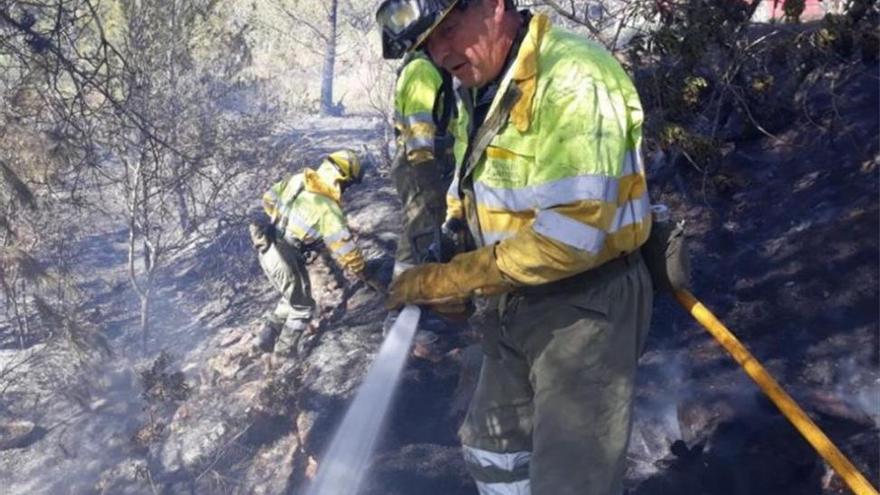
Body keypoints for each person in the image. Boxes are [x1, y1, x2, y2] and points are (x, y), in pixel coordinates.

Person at [385, 1, 654, 494]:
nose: (441, 53)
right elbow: (478, 184)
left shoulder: (572, 78)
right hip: (514, 297)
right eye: (428, 45)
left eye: (448, 29)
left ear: (495, 5)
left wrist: (458, 276)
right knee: (493, 449)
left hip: (584, 308)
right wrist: (453, 242)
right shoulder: (486, 85)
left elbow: (571, 238)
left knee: (573, 482)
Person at [249, 150, 370, 358]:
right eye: (347, 184)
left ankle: (265, 338)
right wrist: (363, 271)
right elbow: (345, 248)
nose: (346, 189)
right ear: (339, 177)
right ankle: (284, 354)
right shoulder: (328, 208)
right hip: (285, 256)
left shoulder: (297, 181)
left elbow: (268, 199)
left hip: (267, 247)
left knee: (292, 296)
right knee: (303, 307)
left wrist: (281, 220)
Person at [377, 0, 457, 276]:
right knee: (421, 228)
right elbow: (419, 128)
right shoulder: (422, 69)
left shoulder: (423, 66)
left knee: (423, 225)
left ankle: (416, 288)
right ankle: (406, 297)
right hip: (419, 164)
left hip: (420, 161)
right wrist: (427, 174)